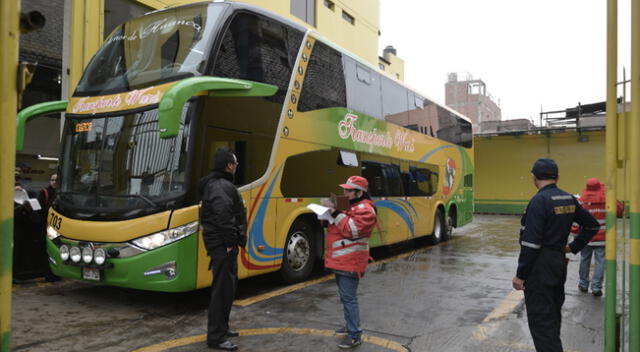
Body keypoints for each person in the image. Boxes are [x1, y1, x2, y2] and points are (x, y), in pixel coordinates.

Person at [512, 158, 599, 352]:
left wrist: (520, 275)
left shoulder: (538, 201)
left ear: (534, 178)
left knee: (541, 323)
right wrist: (572, 246)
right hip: (558, 263)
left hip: (540, 267)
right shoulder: (568, 198)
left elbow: (530, 243)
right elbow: (592, 224)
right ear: (557, 177)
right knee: (552, 316)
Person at [198, 147, 247, 351]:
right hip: (222, 245)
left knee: (228, 288)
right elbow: (223, 215)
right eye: (235, 164)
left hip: (222, 244)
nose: (236, 167)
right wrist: (229, 243)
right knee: (222, 290)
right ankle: (216, 337)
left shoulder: (220, 184)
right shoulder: (220, 186)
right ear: (229, 165)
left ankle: (222, 328)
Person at [323, 176, 377, 349]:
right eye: (344, 189)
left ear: (359, 192)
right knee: (345, 298)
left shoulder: (366, 210)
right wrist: (326, 216)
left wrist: (335, 213)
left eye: (348, 190)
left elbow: (351, 230)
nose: (344, 193)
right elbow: (337, 226)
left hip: (351, 262)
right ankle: (350, 326)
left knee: (349, 298)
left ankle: (354, 335)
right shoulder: (349, 205)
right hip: (341, 261)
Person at [571, 178, 624, 297]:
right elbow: (621, 210)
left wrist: (576, 236)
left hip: (585, 238)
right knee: (600, 262)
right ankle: (596, 287)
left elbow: (575, 221)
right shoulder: (609, 199)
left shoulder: (581, 202)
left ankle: (583, 284)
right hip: (603, 239)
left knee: (584, 259)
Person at [37, 173, 61, 282]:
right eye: (52, 180)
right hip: (46, 227)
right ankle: (48, 274)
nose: (54, 182)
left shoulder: (62, 194)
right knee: (47, 250)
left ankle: (55, 272)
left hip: (56, 228)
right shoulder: (44, 193)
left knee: (55, 250)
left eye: (56, 180)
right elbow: (39, 209)